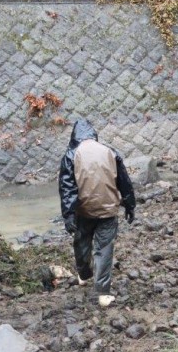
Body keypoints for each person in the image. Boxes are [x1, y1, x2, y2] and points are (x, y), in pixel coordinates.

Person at [58, 119, 135, 308]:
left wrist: (68, 215)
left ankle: (84, 275)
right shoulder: (110, 152)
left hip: (83, 211)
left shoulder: (71, 155)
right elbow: (124, 181)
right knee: (104, 250)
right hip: (108, 210)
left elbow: (67, 188)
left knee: (81, 243)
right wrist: (130, 205)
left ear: (75, 137)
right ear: (93, 136)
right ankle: (102, 294)